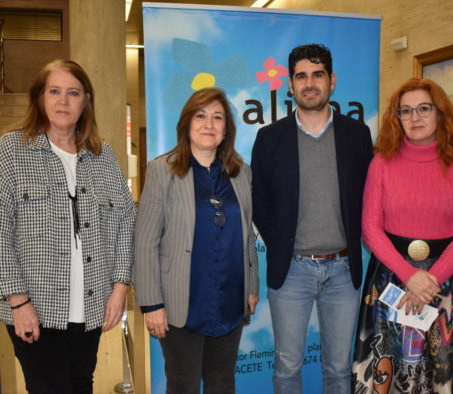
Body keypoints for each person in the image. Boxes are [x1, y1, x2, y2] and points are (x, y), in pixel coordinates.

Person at [0, 60, 135, 393]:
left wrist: (120, 289)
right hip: (37, 308)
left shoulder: (103, 156)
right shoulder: (12, 150)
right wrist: (18, 301)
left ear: (85, 100)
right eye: (54, 91)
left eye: (73, 93)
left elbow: (125, 220)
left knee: (80, 385)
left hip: (91, 307)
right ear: (40, 98)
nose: (63, 101)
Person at [251, 44, 373, 394]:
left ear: (331, 81)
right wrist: (282, 244)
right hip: (291, 271)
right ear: (290, 84)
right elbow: (260, 202)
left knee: (337, 369)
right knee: (287, 367)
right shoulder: (269, 138)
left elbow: (369, 196)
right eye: (301, 76)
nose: (310, 83)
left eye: (317, 75)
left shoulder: (356, 135)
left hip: (342, 271)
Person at [352, 78, 453, 393]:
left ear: (440, 113)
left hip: (446, 283)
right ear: (397, 118)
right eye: (405, 111)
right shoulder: (381, 163)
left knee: (442, 370)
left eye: (424, 108)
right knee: (390, 367)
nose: (415, 118)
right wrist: (411, 276)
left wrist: (430, 279)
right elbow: (370, 226)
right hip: (392, 279)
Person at [134, 87, 259, 394]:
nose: (209, 124)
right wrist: (152, 304)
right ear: (187, 123)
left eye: (218, 117)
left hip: (230, 298)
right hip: (181, 303)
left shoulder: (241, 173)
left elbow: (247, 236)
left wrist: (251, 287)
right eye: (201, 116)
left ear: (226, 128)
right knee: (183, 384)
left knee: (222, 382)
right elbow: (146, 241)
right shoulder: (162, 171)